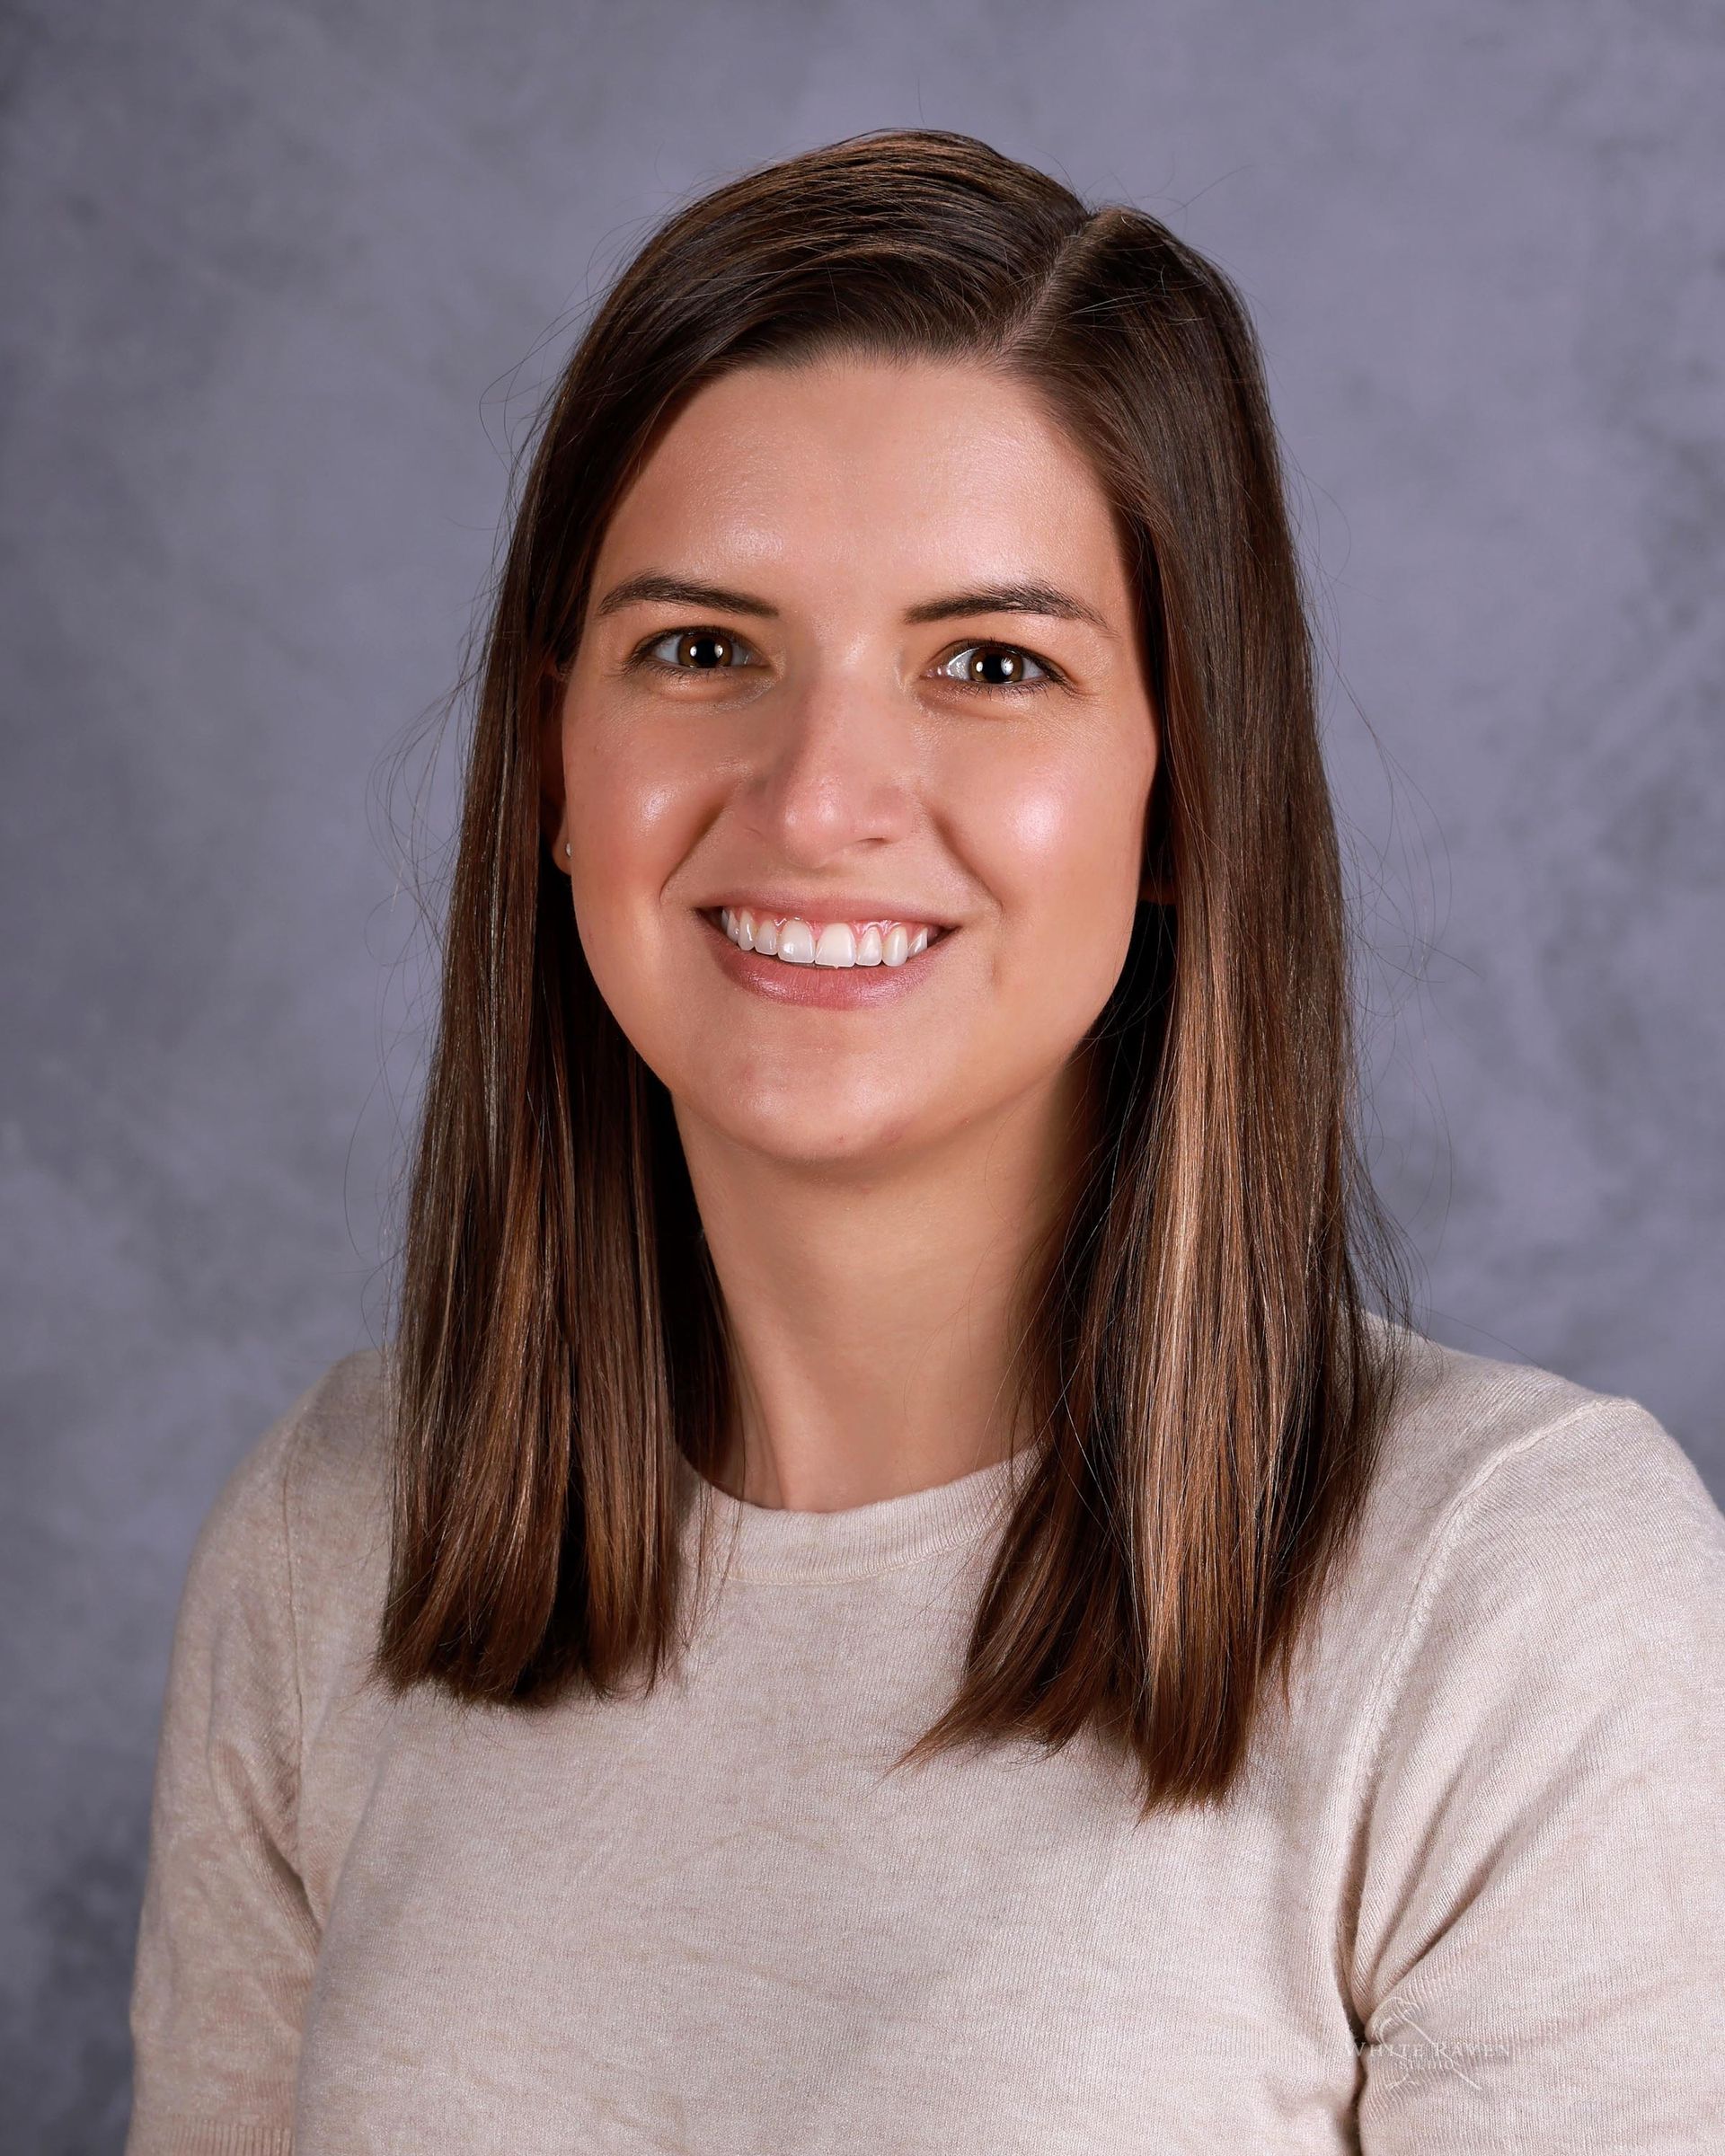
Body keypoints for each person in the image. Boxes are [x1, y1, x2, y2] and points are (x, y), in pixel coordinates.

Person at [123, 128, 1725, 2154]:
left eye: (993, 665)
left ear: (1186, 797)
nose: (819, 800)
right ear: (554, 759)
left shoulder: (1520, 1606)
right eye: (701, 650)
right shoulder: (327, 1549)